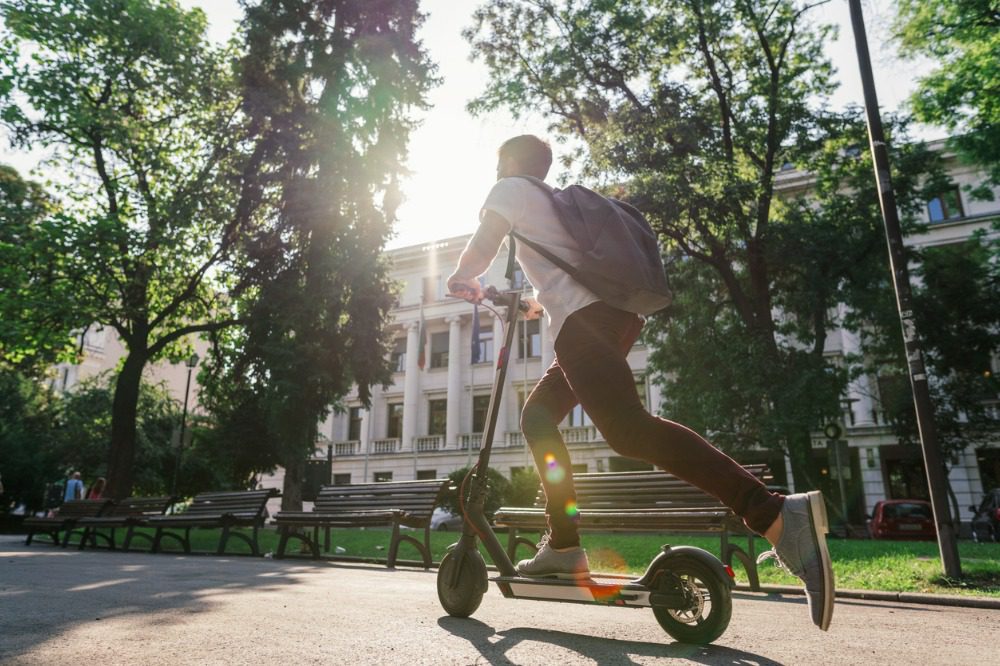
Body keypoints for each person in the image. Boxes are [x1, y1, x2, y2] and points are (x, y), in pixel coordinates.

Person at [447, 134, 835, 631]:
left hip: (585, 327)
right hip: (610, 319)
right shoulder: (548, 205)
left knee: (627, 431)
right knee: (538, 416)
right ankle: (564, 546)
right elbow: (564, 280)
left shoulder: (509, 190)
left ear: (506, 164)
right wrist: (529, 305)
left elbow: (483, 243)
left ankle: (773, 514)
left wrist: (462, 275)